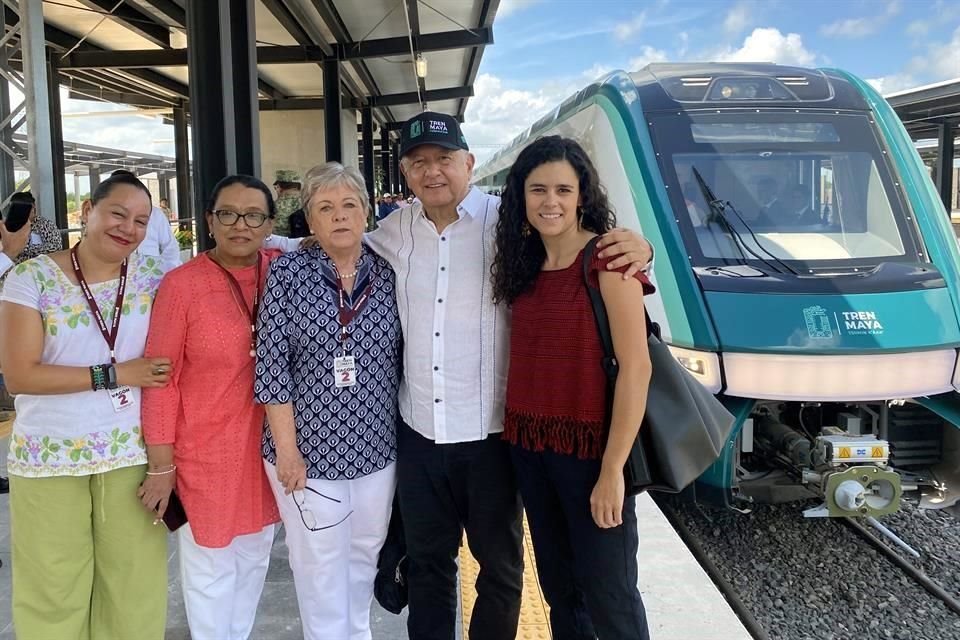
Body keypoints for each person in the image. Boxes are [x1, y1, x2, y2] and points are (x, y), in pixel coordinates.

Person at [367, 111, 653, 640]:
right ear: (405, 172)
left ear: (469, 164)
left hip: (496, 437)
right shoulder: (391, 232)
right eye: (419, 162)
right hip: (429, 433)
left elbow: (634, 355)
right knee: (439, 567)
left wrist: (642, 248)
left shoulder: (508, 222)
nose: (434, 172)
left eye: (445, 160)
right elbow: (334, 242)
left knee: (508, 573)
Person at [491, 136, 652, 639]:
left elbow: (636, 368)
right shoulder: (521, 263)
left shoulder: (607, 260)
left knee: (611, 594)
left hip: (590, 455)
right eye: (538, 189)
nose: (551, 202)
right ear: (521, 196)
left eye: (564, 189)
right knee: (561, 591)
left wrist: (612, 471)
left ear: (583, 195)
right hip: (530, 451)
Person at [0, 172, 173, 639]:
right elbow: (20, 375)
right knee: (53, 590)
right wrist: (114, 374)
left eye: (141, 220)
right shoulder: (31, 277)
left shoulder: (155, 280)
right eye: (117, 213)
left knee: (135, 586)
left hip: (131, 456)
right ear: (87, 212)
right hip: (49, 456)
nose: (128, 228)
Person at [255, 161, 402, 640]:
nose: (339, 216)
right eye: (325, 208)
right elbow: (271, 367)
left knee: (364, 555)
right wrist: (288, 450)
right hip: (308, 452)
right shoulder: (289, 273)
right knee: (318, 564)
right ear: (310, 221)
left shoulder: (387, 270)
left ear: (366, 213)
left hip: (377, 450)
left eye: (348, 205)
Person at [139, 175, 283, 640]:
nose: (240, 224)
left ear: (269, 224)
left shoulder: (284, 271)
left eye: (253, 215)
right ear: (209, 219)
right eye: (228, 213)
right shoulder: (182, 286)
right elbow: (162, 380)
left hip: (268, 449)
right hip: (206, 453)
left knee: (254, 558)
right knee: (209, 570)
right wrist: (162, 465)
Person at [110, 170, 180, 272]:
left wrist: (166, 272)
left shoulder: (156, 213)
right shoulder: (106, 215)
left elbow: (170, 246)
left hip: (150, 271)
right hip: (116, 272)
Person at [7, 191, 62, 265]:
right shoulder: (9, 226)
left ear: (33, 207)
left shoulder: (45, 225)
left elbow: (56, 247)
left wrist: (24, 249)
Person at [273, 169, 303, 237]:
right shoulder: (309, 203)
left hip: (279, 245)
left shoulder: (271, 206)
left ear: (278, 187)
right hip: (306, 244)